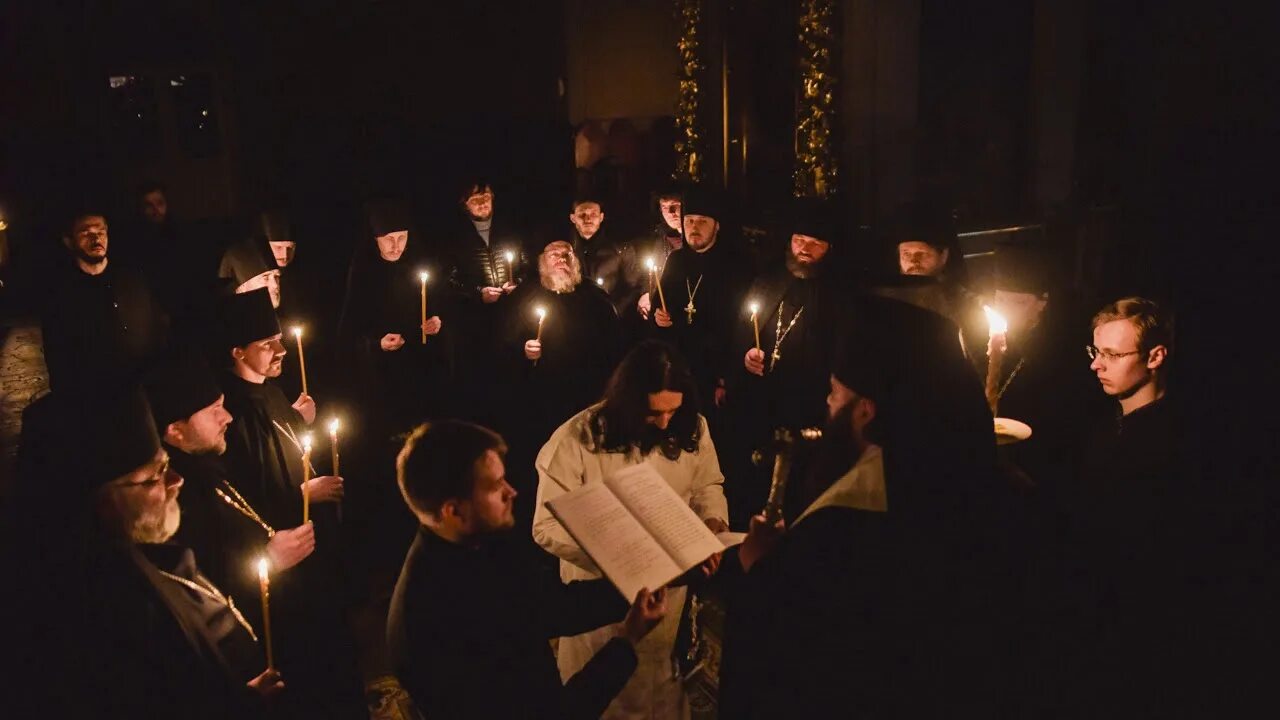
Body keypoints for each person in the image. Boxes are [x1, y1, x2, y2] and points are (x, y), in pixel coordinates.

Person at [717, 298, 997, 718]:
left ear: (865, 410)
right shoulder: (964, 486)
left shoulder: (848, 517)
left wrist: (757, 562)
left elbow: (792, 645)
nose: (828, 406)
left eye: (834, 394)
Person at [8, 388, 281, 718]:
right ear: (94, 502)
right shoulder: (95, 619)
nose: (176, 480)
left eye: (166, 464)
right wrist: (244, 706)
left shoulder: (149, 552)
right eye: (154, 476)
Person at [387, 420, 668, 720]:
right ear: (453, 511)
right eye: (496, 487)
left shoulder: (479, 540)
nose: (512, 491)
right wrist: (627, 641)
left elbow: (549, 606)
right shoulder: (433, 621)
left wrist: (638, 587)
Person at [533, 340, 729, 719]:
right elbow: (545, 525)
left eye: (674, 411)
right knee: (610, 694)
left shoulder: (693, 427)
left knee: (662, 688)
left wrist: (712, 523)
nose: (665, 423)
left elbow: (708, 486)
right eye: (653, 413)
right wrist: (615, 553)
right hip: (602, 600)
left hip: (669, 591)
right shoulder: (577, 439)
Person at [215, 288, 367, 718]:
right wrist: (305, 492)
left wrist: (298, 422)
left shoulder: (272, 392)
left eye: (280, 339)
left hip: (315, 559)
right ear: (237, 351)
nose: (281, 350)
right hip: (287, 573)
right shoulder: (234, 415)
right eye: (268, 345)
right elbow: (245, 495)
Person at [1046, 297, 1186, 715]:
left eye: (1111, 354)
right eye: (1095, 351)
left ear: (1156, 356)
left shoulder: (1170, 441)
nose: (1096, 365)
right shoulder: (1107, 425)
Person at [144, 349, 316, 616]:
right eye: (214, 411)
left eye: (223, 405)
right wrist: (270, 559)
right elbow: (197, 592)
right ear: (175, 430)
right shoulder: (172, 501)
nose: (228, 417)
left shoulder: (209, 468)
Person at [727, 197, 852, 524]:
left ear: (829, 248)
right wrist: (747, 356)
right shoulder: (767, 281)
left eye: (815, 243)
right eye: (799, 241)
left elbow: (842, 354)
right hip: (763, 403)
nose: (805, 249)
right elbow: (743, 330)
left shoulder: (839, 296)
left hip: (809, 408)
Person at [499, 240, 621, 526]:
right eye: (554, 254)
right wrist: (525, 352)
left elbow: (614, 347)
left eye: (567, 253)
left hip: (586, 399)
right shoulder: (524, 297)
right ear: (542, 261)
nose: (562, 259)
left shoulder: (595, 298)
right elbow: (503, 347)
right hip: (540, 402)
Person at [648, 185, 750, 421]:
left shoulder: (737, 267)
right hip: (677, 367)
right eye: (690, 221)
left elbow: (740, 326)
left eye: (702, 221)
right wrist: (658, 318)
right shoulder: (676, 260)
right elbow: (659, 303)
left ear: (717, 226)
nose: (694, 227)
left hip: (713, 372)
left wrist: (726, 378)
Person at [40, 207, 165, 392]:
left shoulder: (133, 279)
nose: (96, 239)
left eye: (101, 232)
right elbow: (58, 357)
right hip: (95, 395)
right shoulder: (61, 296)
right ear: (69, 241)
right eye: (86, 233)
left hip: (143, 388)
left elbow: (157, 329)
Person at [442, 179, 529, 423]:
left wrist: (517, 283)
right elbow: (448, 279)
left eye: (486, 197)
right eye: (475, 200)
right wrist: (478, 292)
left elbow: (525, 265)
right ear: (464, 205)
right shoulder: (455, 238)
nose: (482, 204)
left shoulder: (509, 231)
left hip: (509, 317)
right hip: (473, 323)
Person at [568, 196, 638, 315]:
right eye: (582, 214)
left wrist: (613, 310)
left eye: (593, 214)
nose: (588, 219)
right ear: (573, 218)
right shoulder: (564, 250)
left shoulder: (620, 249)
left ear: (601, 217)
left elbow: (632, 287)